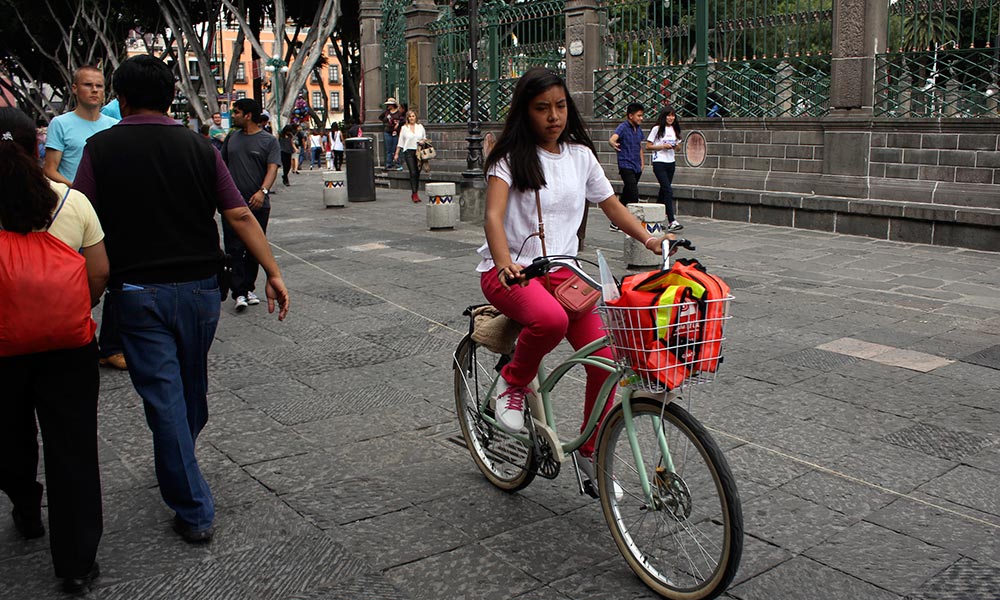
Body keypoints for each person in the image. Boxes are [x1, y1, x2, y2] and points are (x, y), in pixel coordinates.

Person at [73, 55, 290, 545]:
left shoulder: (99, 149)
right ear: (171, 96)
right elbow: (237, 216)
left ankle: (190, 502)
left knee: (172, 398)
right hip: (200, 291)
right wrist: (272, 272)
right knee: (186, 392)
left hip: (136, 293)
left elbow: (80, 219)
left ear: (121, 99)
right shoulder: (200, 147)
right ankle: (187, 483)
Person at [478, 67, 665, 474]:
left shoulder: (581, 156)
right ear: (525, 112)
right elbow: (493, 216)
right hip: (511, 272)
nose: (553, 117)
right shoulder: (509, 159)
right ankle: (512, 383)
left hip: (563, 275)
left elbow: (612, 205)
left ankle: (589, 449)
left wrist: (649, 238)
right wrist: (504, 261)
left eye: (560, 106)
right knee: (550, 320)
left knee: (608, 353)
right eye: (542, 108)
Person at [0, 106, 108, 595]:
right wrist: (72, 307)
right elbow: (101, 270)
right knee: (73, 447)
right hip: (69, 345)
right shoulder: (71, 202)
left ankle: (26, 505)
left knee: (8, 437)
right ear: (36, 144)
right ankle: (77, 561)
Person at [44, 66, 124, 371]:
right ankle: (69, 337)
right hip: (72, 212)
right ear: (75, 88)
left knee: (113, 276)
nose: (95, 90)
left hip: (107, 211)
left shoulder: (113, 125)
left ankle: (111, 345)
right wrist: (77, 192)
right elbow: (50, 168)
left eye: (100, 86)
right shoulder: (60, 124)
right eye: (88, 85)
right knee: (68, 276)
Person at [221, 98, 281, 313]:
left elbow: (272, 169)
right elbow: (222, 166)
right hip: (232, 204)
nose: (233, 115)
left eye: (236, 112)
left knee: (255, 248)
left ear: (248, 115)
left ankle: (248, 288)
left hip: (258, 204)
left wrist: (262, 192)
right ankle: (238, 292)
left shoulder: (268, 141)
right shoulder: (232, 138)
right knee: (234, 248)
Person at [645, 107, 684, 232]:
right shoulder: (657, 129)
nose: (671, 118)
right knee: (668, 190)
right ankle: (671, 220)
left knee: (663, 191)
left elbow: (678, 147)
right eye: (668, 116)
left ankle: (655, 219)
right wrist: (662, 146)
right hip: (659, 162)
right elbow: (648, 146)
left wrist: (674, 146)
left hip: (670, 162)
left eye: (673, 116)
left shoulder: (675, 129)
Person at [608, 101, 645, 230]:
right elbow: (612, 139)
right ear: (630, 115)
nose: (641, 118)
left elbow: (640, 146)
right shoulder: (623, 127)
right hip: (625, 164)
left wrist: (642, 162)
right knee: (633, 193)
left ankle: (615, 221)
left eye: (642, 116)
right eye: (639, 115)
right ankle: (635, 223)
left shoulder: (638, 129)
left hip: (636, 165)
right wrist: (613, 143)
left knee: (627, 193)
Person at [394, 110, 427, 203]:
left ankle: (415, 191)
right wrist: (397, 153)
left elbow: (424, 137)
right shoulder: (404, 128)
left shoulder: (420, 127)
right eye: (410, 116)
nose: (412, 118)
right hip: (408, 151)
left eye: (413, 116)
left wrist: (422, 141)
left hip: (419, 152)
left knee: (417, 172)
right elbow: (400, 141)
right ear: (407, 118)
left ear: (416, 117)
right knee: (412, 172)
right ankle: (414, 193)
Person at [378, 97, 403, 170]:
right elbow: (380, 117)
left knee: (395, 148)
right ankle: (389, 164)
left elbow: (403, 120)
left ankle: (397, 163)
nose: (388, 106)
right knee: (388, 149)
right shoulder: (386, 112)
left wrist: (398, 123)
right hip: (387, 131)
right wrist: (385, 121)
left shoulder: (398, 112)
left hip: (395, 132)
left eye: (389, 104)